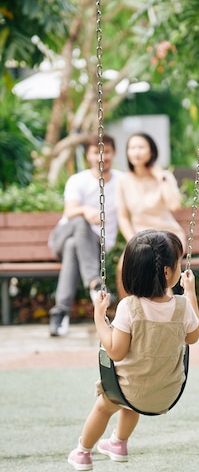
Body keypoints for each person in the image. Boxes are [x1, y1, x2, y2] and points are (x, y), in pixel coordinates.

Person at [67, 229, 199, 471]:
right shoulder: (182, 306)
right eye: (178, 263)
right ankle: (118, 442)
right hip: (166, 392)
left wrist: (99, 317)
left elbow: (116, 352)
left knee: (107, 404)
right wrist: (190, 293)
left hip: (131, 390)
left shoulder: (129, 307)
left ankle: (83, 452)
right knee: (133, 397)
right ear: (168, 272)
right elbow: (193, 337)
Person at [48, 133, 120, 337]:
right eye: (96, 151)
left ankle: (60, 313)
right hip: (61, 237)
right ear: (88, 155)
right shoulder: (77, 180)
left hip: (96, 244)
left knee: (75, 246)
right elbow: (71, 212)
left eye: (106, 151)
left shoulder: (122, 181)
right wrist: (86, 212)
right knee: (79, 223)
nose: (102, 156)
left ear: (113, 153)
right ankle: (95, 283)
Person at [116, 132, 186, 298]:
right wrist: (133, 241)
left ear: (151, 152)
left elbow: (174, 205)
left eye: (141, 147)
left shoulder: (163, 177)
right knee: (122, 268)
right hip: (140, 238)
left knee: (161, 271)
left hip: (167, 235)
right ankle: (127, 316)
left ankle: (165, 318)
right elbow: (123, 217)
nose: (136, 152)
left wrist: (161, 178)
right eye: (132, 148)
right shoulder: (124, 181)